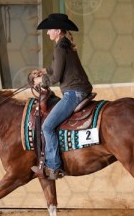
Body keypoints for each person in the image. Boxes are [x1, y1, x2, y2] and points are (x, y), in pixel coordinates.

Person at [31, 13, 92, 180]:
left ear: (58, 31)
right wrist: (43, 71)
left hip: (73, 93)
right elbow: (57, 67)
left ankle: (54, 167)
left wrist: (40, 80)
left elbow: (56, 77)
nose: (47, 32)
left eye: (49, 29)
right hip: (81, 89)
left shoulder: (60, 48)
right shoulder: (65, 45)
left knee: (47, 127)